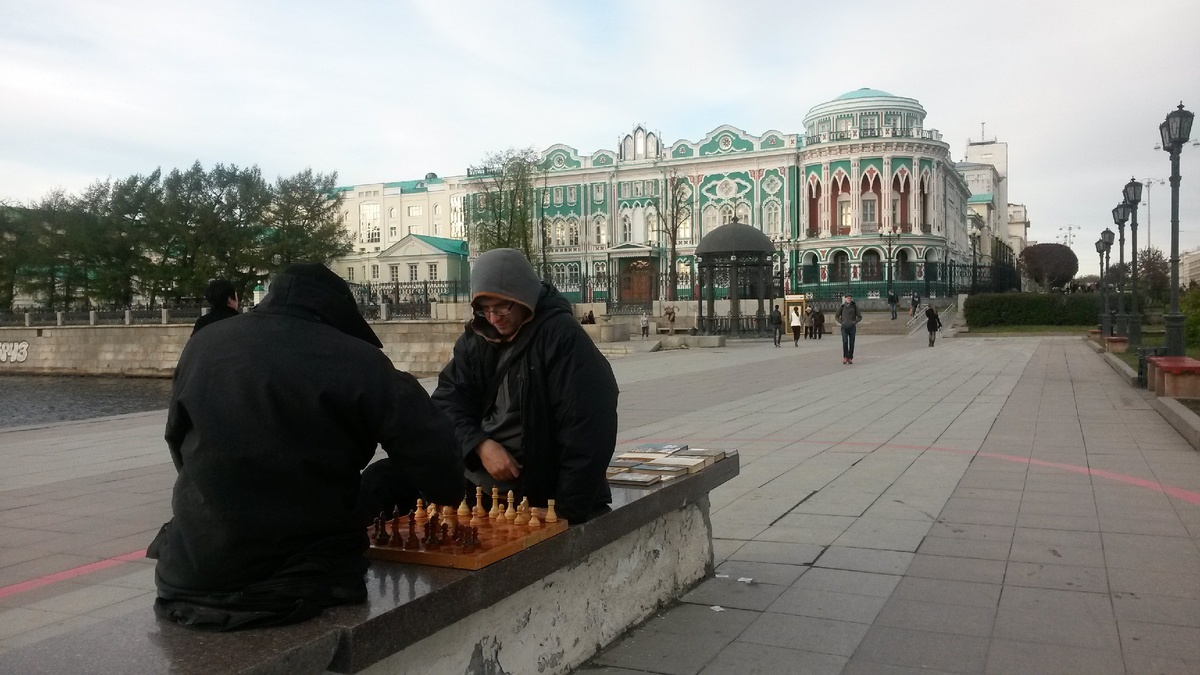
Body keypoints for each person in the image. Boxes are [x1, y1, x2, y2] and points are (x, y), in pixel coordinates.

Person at [150, 263, 464, 632]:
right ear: (340, 313)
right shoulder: (359, 361)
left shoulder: (204, 344)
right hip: (297, 579)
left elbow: (177, 443)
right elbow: (442, 471)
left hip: (188, 572)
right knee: (390, 476)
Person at [431, 248, 619, 525]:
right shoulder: (476, 338)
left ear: (524, 297)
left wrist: (567, 507)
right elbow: (447, 402)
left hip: (542, 492)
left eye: (502, 307)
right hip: (481, 486)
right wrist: (480, 445)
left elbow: (588, 423)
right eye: (485, 309)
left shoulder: (561, 336)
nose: (493, 318)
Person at [836, 293, 862, 364]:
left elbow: (859, 316)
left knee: (851, 343)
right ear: (845, 299)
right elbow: (837, 316)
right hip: (844, 327)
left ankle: (850, 357)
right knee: (845, 342)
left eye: (850, 298)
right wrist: (842, 322)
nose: (849, 299)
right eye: (848, 298)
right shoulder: (842, 307)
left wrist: (854, 322)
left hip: (852, 327)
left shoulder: (854, 306)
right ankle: (845, 357)